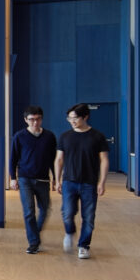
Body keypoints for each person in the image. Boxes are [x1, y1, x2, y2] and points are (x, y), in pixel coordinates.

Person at [54, 103, 109, 259]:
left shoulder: (97, 136)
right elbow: (59, 159)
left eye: (75, 118)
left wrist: (102, 182)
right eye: (69, 118)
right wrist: (57, 180)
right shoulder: (65, 136)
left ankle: (83, 245)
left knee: (89, 216)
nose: (72, 121)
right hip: (69, 182)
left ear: (86, 117)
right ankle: (69, 232)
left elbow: (104, 159)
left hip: (89, 183)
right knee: (67, 213)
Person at [9, 105, 57, 253]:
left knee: (44, 210)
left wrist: (56, 178)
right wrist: (13, 178)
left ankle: (34, 233)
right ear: (26, 120)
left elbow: (53, 159)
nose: (35, 123)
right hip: (25, 179)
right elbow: (13, 158)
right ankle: (34, 242)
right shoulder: (19, 136)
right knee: (29, 212)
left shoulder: (49, 136)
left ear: (41, 119)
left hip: (43, 180)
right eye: (31, 120)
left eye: (38, 119)